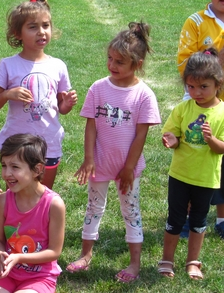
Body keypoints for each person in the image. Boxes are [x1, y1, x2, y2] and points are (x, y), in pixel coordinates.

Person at [66, 22, 161, 283]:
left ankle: (134, 263)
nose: (112, 65)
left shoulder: (143, 95)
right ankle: (85, 255)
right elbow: (91, 125)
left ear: (137, 64)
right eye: (110, 58)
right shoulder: (98, 88)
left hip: (127, 168)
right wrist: (88, 159)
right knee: (93, 208)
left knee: (131, 211)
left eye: (120, 61)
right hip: (100, 164)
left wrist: (129, 168)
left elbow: (141, 134)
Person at [176, 0, 224, 243]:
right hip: (198, 107)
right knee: (196, 160)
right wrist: (217, 56)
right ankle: (190, 217)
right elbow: (185, 67)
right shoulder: (196, 21)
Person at [159, 50, 224, 280]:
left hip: (206, 178)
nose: (196, 92)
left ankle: (192, 261)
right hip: (180, 175)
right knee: (174, 219)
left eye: (203, 86)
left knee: (199, 221)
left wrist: (211, 139)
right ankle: (167, 260)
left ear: (218, 83)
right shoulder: (183, 109)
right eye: (191, 87)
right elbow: (171, 134)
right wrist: (171, 140)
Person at [0, 0, 77, 189]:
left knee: (43, 195)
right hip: (16, 144)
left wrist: (66, 104)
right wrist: (7, 94)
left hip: (48, 143)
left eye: (46, 25)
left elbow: (60, 108)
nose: (41, 32)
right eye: (33, 27)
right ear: (18, 33)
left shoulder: (58, 66)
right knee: (17, 195)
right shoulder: (8, 65)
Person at [0, 134, 65, 293]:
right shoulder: (2, 202)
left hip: (40, 277)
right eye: (4, 165)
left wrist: (19, 257)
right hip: (7, 274)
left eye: (15, 167)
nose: (6, 173)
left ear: (37, 169)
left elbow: (54, 252)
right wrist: (0, 254)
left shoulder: (53, 205)